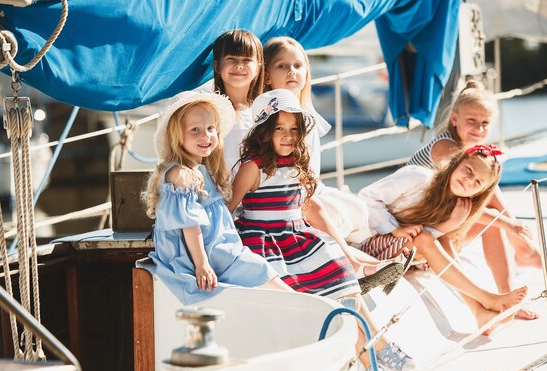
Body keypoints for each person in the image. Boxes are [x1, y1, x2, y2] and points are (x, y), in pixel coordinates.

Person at [229, 89, 413, 371]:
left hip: (297, 237)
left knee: (345, 285)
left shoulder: (298, 165)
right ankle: (377, 351)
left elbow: (309, 207)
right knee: (317, 300)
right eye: (279, 128)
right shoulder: (253, 168)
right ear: (264, 132)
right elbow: (229, 208)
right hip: (265, 242)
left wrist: (346, 251)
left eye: (294, 129)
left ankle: (372, 356)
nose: (288, 136)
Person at [262, 36, 412, 286]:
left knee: (356, 208)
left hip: (307, 189)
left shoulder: (307, 116)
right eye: (282, 66)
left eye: (298, 66)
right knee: (324, 210)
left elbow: (312, 172)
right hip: (284, 196)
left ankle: (369, 255)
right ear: (267, 76)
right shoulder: (268, 117)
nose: (292, 71)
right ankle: (358, 263)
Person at [407, 80, 547, 320]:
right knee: (493, 222)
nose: (479, 129)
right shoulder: (445, 148)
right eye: (472, 121)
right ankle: (486, 297)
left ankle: (508, 297)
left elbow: (487, 197)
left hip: (436, 222)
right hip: (415, 230)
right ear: (455, 118)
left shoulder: (473, 154)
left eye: (485, 123)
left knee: (492, 221)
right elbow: (454, 207)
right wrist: (510, 226)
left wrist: (514, 231)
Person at [142, 90, 291, 305]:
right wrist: (202, 264)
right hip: (203, 255)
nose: (206, 136)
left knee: (261, 266)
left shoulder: (200, 170)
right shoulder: (180, 175)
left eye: (211, 128)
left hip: (220, 249)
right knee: (260, 269)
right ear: (177, 135)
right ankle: (304, 305)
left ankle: (300, 303)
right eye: (195, 130)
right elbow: (190, 225)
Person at [358, 145, 528, 332]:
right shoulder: (419, 178)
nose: (469, 180)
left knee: (442, 239)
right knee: (427, 238)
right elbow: (366, 196)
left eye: (477, 182)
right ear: (456, 162)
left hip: (407, 254)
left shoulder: (455, 202)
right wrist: (394, 229)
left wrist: (509, 224)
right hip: (370, 246)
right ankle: (487, 298)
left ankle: (478, 312)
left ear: (477, 193)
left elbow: (478, 213)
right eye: (468, 170)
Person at [212, 29, 265, 174]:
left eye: (247, 60)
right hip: (218, 191)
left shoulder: (266, 111)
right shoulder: (208, 110)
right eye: (231, 58)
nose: (239, 65)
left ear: (258, 68)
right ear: (217, 66)